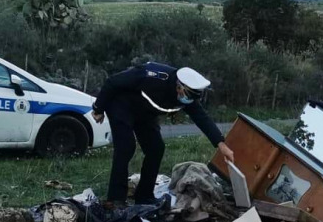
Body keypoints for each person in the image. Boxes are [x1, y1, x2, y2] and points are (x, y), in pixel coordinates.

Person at [91, 62, 234, 205]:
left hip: (145, 113)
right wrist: (99, 108)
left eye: (193, 98)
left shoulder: (187, 96)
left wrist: (221, 144)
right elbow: (113, 82)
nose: (189, 100)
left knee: (156, 149)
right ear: (179, 86)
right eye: (188, 95)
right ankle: (115, 200)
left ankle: (145, 196)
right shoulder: (151, 75)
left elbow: (202, 119)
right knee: (126, 147)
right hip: (122, 106)